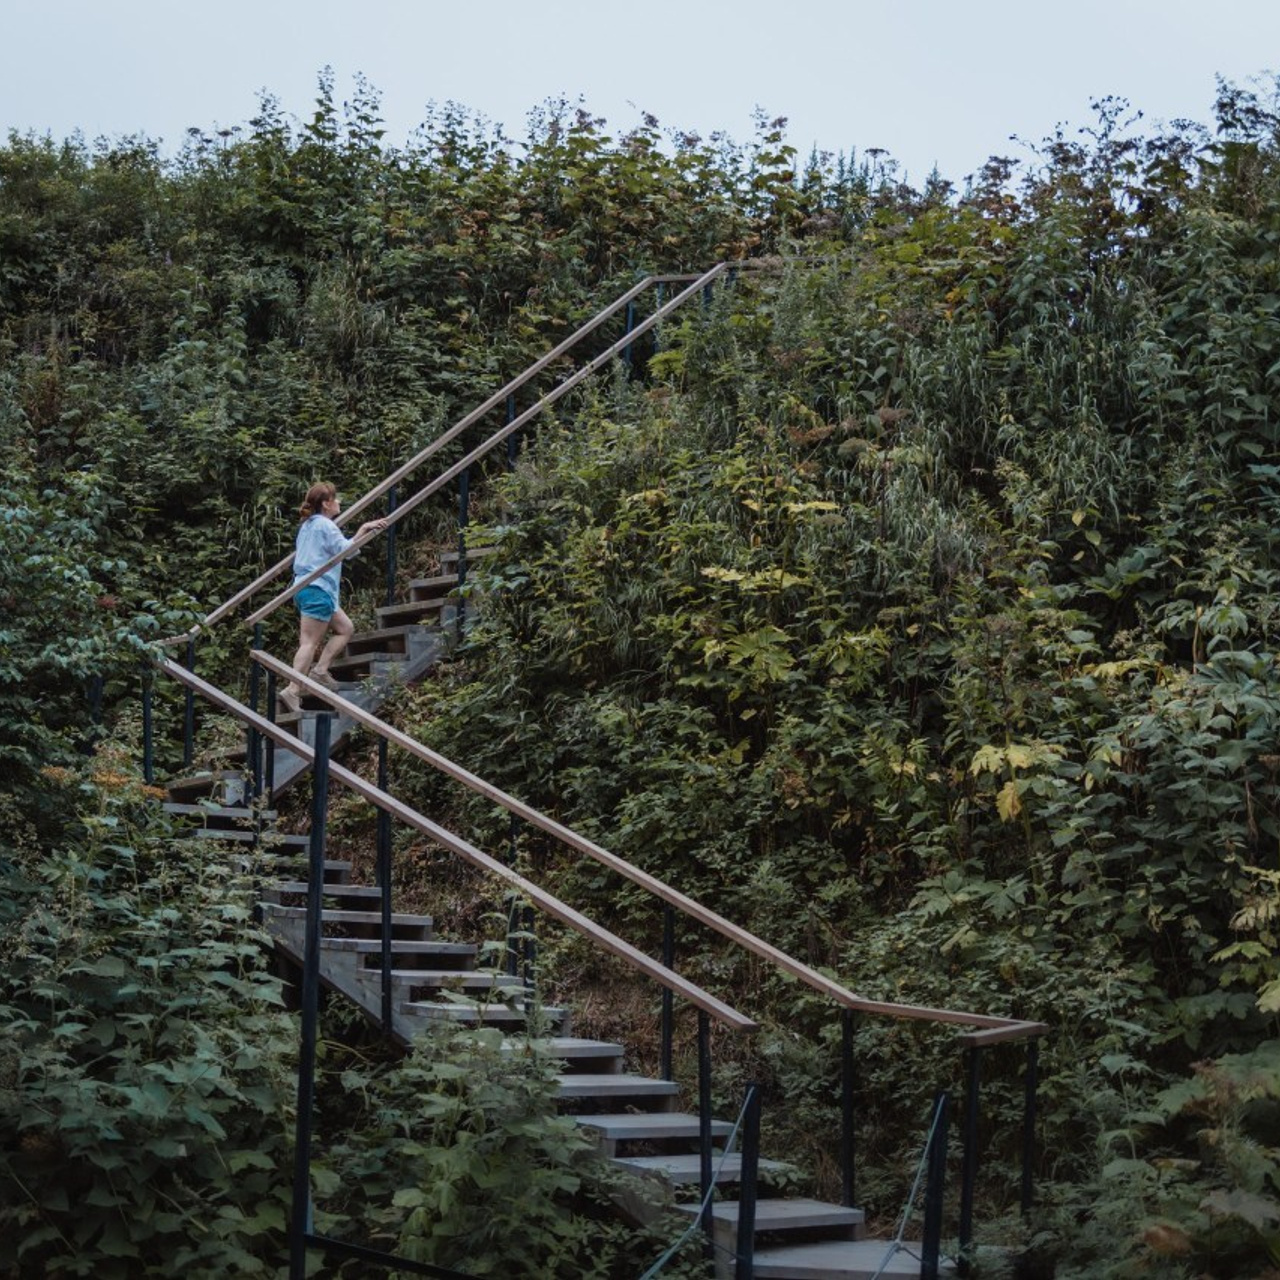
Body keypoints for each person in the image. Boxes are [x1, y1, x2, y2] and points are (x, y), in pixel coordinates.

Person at [278, 482, 388, 712]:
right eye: (335, 499)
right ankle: (293, 689)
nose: (339, 502)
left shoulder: (307, 526)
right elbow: (345, 551)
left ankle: (319, 671)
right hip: (317, 588)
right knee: (308, 642)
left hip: (308, 588)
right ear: (326, 504)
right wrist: (364, 529)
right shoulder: (326, 526)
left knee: (346, 628)